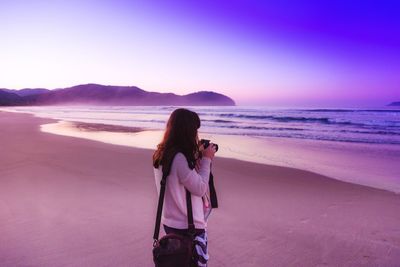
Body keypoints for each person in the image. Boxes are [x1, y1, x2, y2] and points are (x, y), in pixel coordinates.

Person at [153, 108, 216, 267]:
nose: (196, 135)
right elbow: (200, 188)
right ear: (187, 131)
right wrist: (207, 160)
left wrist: (195, 158)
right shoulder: (180, 158)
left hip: (170, 222)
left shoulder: (162, 154)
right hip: (189, 227)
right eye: (194, 130)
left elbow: (177, 181)